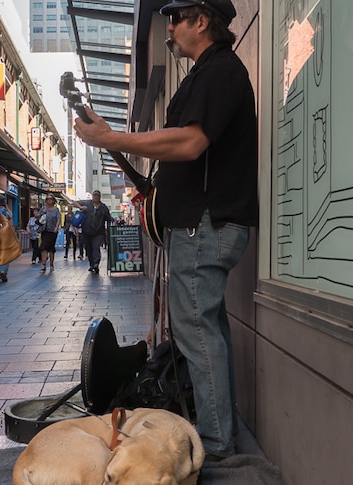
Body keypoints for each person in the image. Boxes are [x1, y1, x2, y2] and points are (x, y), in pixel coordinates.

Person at [74, 0, 257, 461]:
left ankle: (215, 445)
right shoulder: (206, 73)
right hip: (197, 225)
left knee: (197, 330)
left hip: (205, 226)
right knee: (201, 329)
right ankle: (217, 434)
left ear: (202, 20)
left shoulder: (221, 71)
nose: (169, 26)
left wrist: (113, 138)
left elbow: (191, 142)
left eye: (176, 17)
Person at [77, 190, 112, 273]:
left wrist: (108, 229)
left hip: (99, 232)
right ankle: (91, 264)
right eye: (94, 195)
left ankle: (96, 263)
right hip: (87, 231)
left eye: (97, 196)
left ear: (100, 197)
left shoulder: (103, 207)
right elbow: (74, 202)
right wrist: (81, 207)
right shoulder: (87, 203)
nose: (96, 197)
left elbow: (108, 219)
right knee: (88, 248)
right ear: (92, 196)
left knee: (96, 247)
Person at [37, 195, 61, 272]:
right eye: (48, 199)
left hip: (53, 231)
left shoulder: (56, 210)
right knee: (43, 247)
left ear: (54, 200)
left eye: (51, 198)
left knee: (51, 248)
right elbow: (37, 216)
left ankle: (51, 264)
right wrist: (42, 213)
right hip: (45, 230)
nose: (49, 200)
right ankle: (43, 264)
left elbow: (58, 219)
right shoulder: (44, 208)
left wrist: (56, 227)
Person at [0, 194, 13, 282]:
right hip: (5, 233)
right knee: (5, 252)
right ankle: (3, 270)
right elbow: (10, 220)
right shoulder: (6, 211)